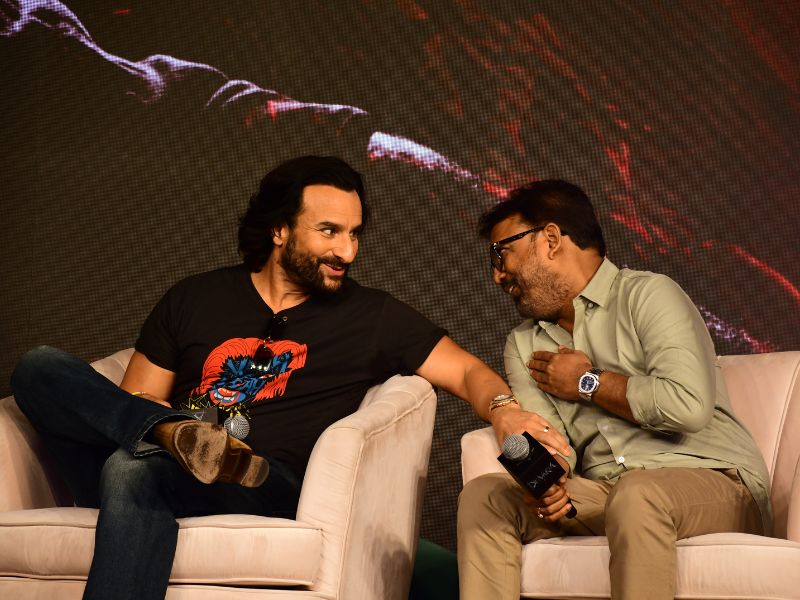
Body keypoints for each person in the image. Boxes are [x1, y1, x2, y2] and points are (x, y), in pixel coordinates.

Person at [9, 155, 536, 600]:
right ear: (280, 230)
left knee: (130, 469)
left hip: (262, 481)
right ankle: (172, 434)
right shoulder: (194, 298)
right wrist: (158, 425)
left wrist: (504, 410)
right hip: (164, 461)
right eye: (329, 231)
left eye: (354, 234)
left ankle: (181, 443)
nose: (347, 251)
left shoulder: (372, 317)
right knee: (39, 366)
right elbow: (133, 399)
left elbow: (467, 370)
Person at [457, 180, 772, 600]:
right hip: (607, 492)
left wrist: (587, 382)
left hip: (715, 483)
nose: (497, 274)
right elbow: (552, 443)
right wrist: (547, 481)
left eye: (502, 253)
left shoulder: (648, 294)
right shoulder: (523, 343)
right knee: (486, 497)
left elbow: (688, 405)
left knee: (637, 494)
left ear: (550, 239)